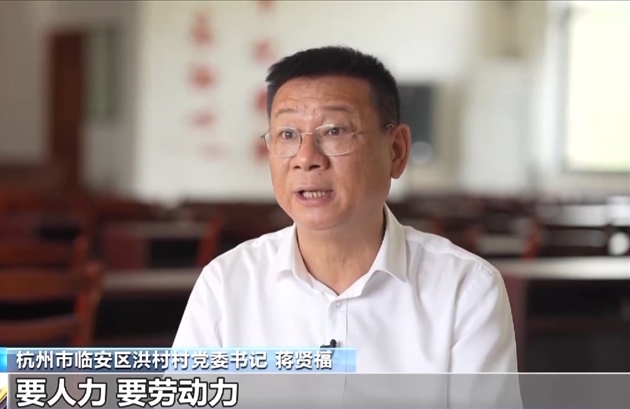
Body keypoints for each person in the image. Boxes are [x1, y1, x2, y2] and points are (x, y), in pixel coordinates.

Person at [173, 46, 518, 374]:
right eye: (288, 134)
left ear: (396, 151)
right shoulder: (226, 284)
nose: (306, 159)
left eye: (335, 131)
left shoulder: (465, 288)